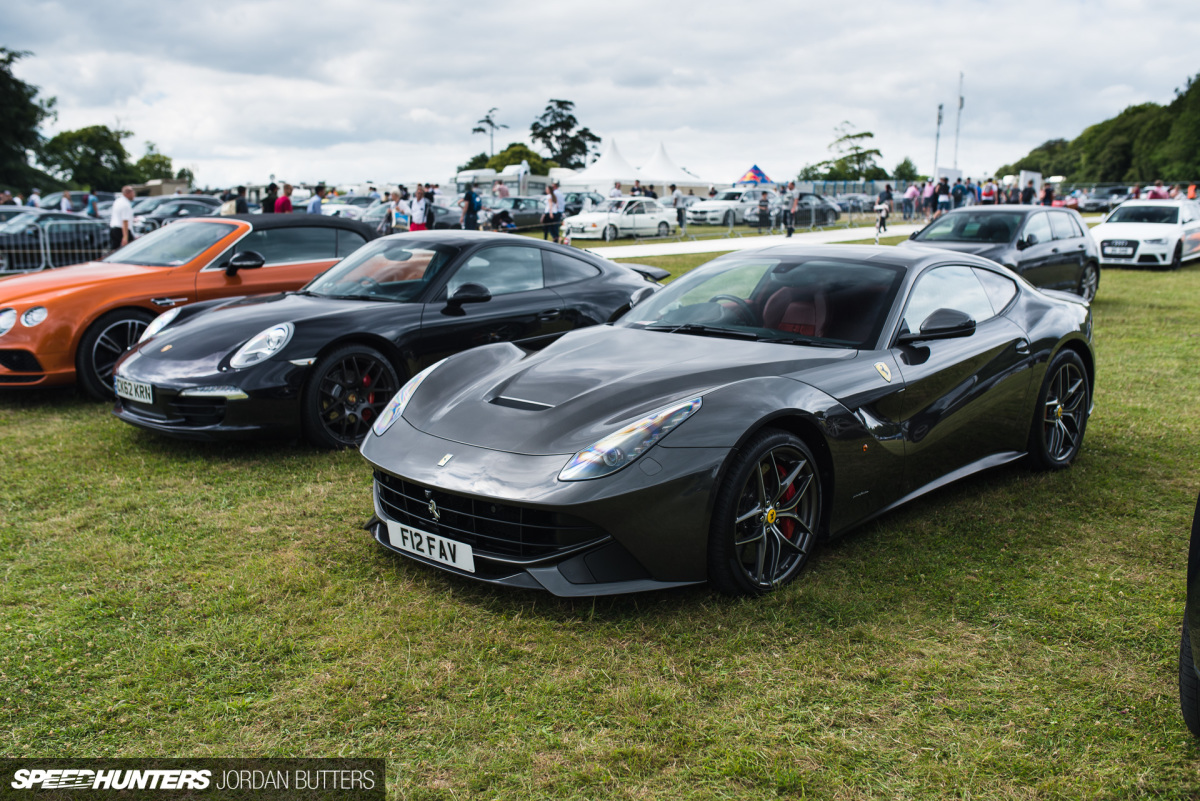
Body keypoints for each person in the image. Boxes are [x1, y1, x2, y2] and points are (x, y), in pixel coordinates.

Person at [109, 185, 136, 250]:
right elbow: (125, 221)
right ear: (128, 193)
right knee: (130, 249)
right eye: (133, 193)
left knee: (115, 250)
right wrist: (125, 237)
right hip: (122, 230)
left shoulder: (118, 201)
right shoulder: (125, 204)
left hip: (114, 229)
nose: (134, 195)